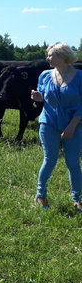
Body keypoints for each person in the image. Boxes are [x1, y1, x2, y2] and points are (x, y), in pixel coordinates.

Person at [30, 42, 82, 212]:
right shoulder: (45, 75)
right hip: (49, 122)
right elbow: (44, 97)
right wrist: (38, 97)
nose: (48, 58)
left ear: (62, 56)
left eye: (51, 55)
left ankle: (77, 199)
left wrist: (72, 126)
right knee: (50, 159)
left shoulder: (80, 77)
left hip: (74, 124)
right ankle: (40, 195)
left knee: (73, 162)